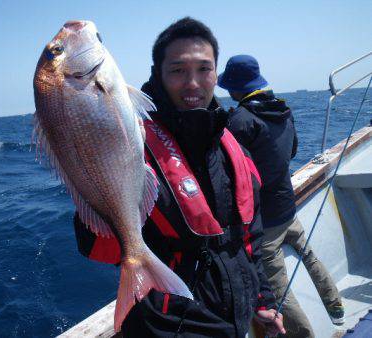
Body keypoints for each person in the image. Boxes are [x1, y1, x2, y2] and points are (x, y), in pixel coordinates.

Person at [74, 18, 285, 337]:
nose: (193, 83)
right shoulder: (131, 146)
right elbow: (98, 249)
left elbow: (249, 239)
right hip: (170, 323)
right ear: (157, 74)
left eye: (204, 69)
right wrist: (90, 177)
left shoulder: (234, 148)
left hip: (235, 318)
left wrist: (262, 301)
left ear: (217, 73)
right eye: (177, 70)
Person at [218, 55, 344, 337]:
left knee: (277, 285)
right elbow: (293, 150)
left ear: (235, 88)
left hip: (266, 219)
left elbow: (231, 172)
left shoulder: (239, 120)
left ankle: (304, 334)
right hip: (288, 207)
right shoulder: (283, 109)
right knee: (309, 255)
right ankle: (335, 305)